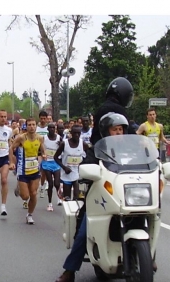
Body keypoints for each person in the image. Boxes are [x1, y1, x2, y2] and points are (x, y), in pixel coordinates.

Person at [55, 113, 128, 282]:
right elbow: (84, 168)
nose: (118, 133)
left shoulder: (130, 151)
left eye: (121, 129)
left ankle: (147, 256)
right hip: (102, 201)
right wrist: (87, 171)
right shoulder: (96, 151)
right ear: (106, 131)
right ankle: (70, 270)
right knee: (83, 233)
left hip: (127, 199)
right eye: (114, 129)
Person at [9, 118, 46, 224]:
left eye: (33, 124)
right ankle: (19, 188)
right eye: (29, 125)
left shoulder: (39, 138)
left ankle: (29, 215)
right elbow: (11, 148)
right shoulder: (21, 138)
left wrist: (44, 154)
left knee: (34, 193)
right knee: (25, 196)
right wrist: (12, 162)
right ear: (26, 126)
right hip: (23, 170)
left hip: (35, 169)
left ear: (36, 126)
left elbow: (42, 148)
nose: (32, 127)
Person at [90, 77, 135, 145]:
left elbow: (95, 134)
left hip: (100, 149)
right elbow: (129, 132)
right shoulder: (119, 109)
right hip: (114, 149)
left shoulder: (102, 108)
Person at [54, 125, 89, 200]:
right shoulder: (64, 144)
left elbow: (89, 156)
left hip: (78, 175)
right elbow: (55, 157)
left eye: (78, 133)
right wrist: (64, 167)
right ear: (71, 133)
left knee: (77, 198)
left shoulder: (83, 144)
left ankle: (77, 211)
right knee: (67, 198)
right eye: (75, 133)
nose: (77, 135)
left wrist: (83, 164)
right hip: (67, 175)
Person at [41, 123, 63, 210]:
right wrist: (43, 154)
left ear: (55, 129)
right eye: (50, 128)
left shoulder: (58, 138)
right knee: (50, 183)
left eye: (53, 128)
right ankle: (50, 203)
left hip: (56, 162)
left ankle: (59, 198)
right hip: (47, 163)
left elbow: (64, 148)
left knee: (57, 183)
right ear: (47, 129)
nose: (52, 129)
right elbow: (41, 148)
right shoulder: (44, 138)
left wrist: (61, 144)